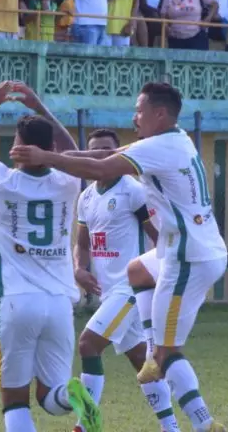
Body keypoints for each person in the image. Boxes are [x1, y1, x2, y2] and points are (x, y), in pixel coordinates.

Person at [10, 82, 228, 432]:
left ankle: (204, 424)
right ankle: (165, 408)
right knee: (137, 270)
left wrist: (46, 157)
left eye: (139, 110)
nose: (134, 117)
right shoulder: (172, 141)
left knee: (160, 352)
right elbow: (96, 160)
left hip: (189, 255)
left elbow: (100, 168)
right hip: (178, 252)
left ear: (159, 114)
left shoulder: (153, 157)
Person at [0, 81, 102, 432]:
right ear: (48, 149)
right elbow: (71, 150)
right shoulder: (68, 181)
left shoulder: (2, 181)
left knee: (14, 400)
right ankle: (74, 396)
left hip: (17, 302)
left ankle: (70, 398)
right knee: (51, 397)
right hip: (60, 304)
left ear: (16, 150)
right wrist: (39, 107)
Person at [72, 129, 180, 432]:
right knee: (140, 363)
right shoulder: (87, 196)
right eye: (95, 150)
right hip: (109, 292)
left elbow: (159, 239)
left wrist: (162, 281)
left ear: (120, 153)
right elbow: (82, 243)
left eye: (108, 149)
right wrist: (79, 268)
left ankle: (85, 424)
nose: (102, 155)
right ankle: (172, 428)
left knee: (88, 344)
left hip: (130, 288)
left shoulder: (133, 191)